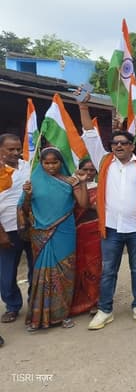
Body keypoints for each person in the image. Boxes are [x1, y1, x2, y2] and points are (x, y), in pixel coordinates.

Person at [79, 97, 136, 330]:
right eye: (114, 143)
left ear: (131, 146)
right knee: (108, 271)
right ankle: (105, 310)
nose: (118, 146)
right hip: (112, 227)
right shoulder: (104, 161)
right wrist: (83, 106)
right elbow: (90, 134)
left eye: (123, 143)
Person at [21, 147, 88, 330]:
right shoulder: (32, 182)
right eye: (46, 163)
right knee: (41, 273)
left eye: (55, 162)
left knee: (65, 272)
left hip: (64, 231)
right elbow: (25, 209)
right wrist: (27, 195)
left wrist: (81, 183)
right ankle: (38, 318)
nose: (51, 166)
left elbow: (83, 203)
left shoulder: (69, 182)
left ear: (61, 162)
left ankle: (63, 315)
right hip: (40, 234)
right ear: (41, 163)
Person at [0, 134, 32, 324]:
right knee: (7, 273)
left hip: (31, 226)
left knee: (35, 269)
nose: (15, 152)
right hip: (7, 229)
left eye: (18, 148)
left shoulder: (29, 166)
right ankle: (12, 306)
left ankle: (34, 303)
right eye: (10, 149)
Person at [70, 159, 102, 316]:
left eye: (92, 170)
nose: (88, 173)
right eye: (85, 170)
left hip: (95, 233)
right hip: (76, 233)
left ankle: (94, 301)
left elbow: (103, 208)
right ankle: (78, 301)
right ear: (79, 170)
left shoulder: (100, 187)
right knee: (77, 267)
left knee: (94, 267)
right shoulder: (72, 186)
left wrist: (92, 206)